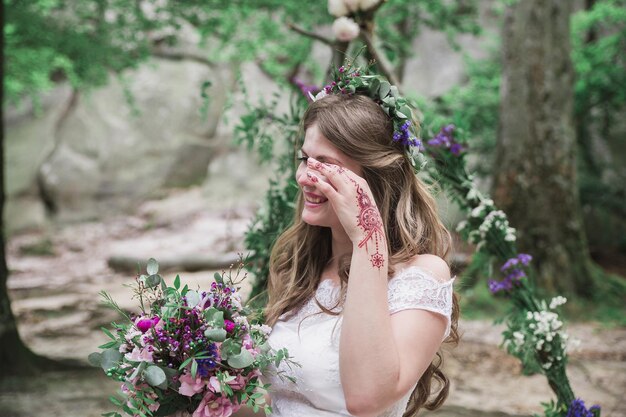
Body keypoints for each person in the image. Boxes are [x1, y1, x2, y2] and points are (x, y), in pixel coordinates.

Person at [246, 74, 459, 417]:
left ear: (373, 176)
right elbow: (277, 400)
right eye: (305, 160)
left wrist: (368, 237)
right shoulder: (302, 268)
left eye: (326, 165)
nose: (304, 177)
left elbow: (367, 399)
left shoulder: (422, 276)